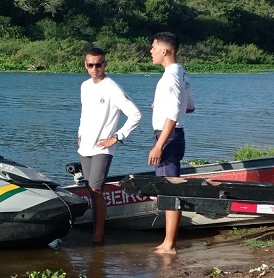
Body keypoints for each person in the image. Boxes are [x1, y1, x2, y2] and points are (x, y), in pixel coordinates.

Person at [78, 47, 142, 243]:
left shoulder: (112, 88)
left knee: (96, 190)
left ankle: (98, 237)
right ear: (86, 65)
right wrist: (79, 133)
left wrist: (117, 136)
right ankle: (97, 231)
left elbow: (136, 114)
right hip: (85, 146)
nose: (95, 68)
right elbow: (85, 113)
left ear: (105, 64)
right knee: (90, 189)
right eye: (91, 65)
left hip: (103, 148)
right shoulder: (85, 86)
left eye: (99, 64)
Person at [148, 32, 196, 254]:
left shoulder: (170, 76)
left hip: (169, 137)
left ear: (165, 50)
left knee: (169, 190)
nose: (151, 51)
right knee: (169, 188)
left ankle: (170, 244)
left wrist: (159, 145)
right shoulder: (181, 72)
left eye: (154, 47)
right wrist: (160, 105)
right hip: (175, 136)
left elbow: (174, 114)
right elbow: (190, 106)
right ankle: (168, 242)